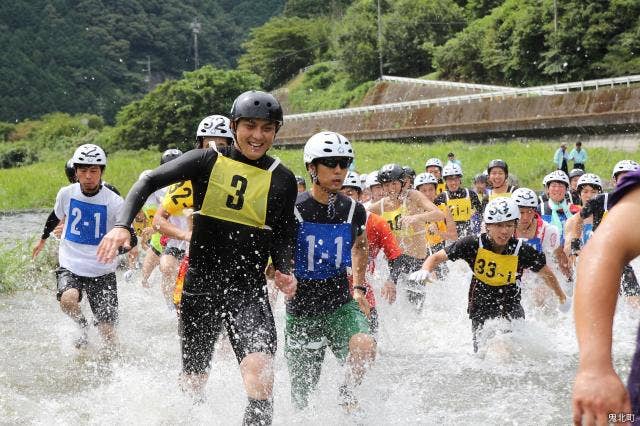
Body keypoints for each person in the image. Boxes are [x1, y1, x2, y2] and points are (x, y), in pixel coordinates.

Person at [96, 90, 298, 425]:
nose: (258, 136)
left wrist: (284, 267)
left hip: (248, 291)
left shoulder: (283, 179)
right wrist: (121, 225)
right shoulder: (208, 161)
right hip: (200, 288)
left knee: (261, 373)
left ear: (276, 131)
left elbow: (283, 231)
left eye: (267, 128)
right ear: (234, 126)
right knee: (195, 379)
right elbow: (148, 180)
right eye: (250, 126)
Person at [287, 132, 375, 411]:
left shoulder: (353, 210)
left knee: (365, 344)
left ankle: (347, 395)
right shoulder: (294, 210)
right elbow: (274, 257)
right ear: (312, 168)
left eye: (344, 163)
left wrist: (359, 288)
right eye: (330, 163)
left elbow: (361, 246)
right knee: (302, 401)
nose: (339, 170)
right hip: (301, 313)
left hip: (340, 306)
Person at [409, 197, 566, 352]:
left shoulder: (523, 250)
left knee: (509, 350)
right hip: (480, 307)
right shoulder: (471, 244)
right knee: (482, 353)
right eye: (499, 225)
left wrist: (562, 298)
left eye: (509, 225)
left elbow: (547, 274)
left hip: (511, 306)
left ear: (515, 226)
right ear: (488, 226)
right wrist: (425, 269)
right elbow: (436, 257)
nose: (504, 231)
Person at [32, 144, 136, 349]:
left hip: (102, 270)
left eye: (93, 171)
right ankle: (82, 328)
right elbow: (55, 216)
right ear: (76, 172)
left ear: (102, 172)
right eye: (83, 170)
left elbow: (131, 237)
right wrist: (42, 239)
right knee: (68, 300)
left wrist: (119, 249)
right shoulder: (66, 193)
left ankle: (113, 368)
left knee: (108, 334)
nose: (88, 176)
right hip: (71, 264)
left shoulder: (115, 202)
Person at [572, 167, 640, 424]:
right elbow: (601, 250)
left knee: (634, 300)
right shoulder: (604, 202)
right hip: (617, 258)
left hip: (626, 265)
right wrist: (594, 367)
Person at [368, 163, 445, 307]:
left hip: (416, 261)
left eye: (394, 184)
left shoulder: (413, 196)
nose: (390, 189)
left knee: (416, 306)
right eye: (386, 185)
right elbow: (360, 214)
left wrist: (417, 218)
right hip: (394, 262)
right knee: (392, 304)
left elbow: (439, 214)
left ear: (402, 183)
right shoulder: (382, 205)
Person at [567, 160, 640, 304]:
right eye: (623, 179)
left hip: (623, 261)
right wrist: (575, 247)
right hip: (599, 259)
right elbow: (578, 219)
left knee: (635, 303)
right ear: (614, 181)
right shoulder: (601, 200)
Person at [341, 171, 404, 333]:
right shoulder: (324, 219)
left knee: (370, 343)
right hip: (334, 286)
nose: (345, 199)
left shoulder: (376, 222)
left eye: (350, 193)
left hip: (363, 287)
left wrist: (391, 280)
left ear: (360, 196)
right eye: (340, 193)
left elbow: (395, 256)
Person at [434, 163, 482, 238]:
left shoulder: (470, 194)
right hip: (450, 236)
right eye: (450, 180)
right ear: (445, 180)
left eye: (456, 179)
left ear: (460, 179)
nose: (453, 183)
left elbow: (481, 213)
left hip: (468, 234)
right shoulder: (442, 197)